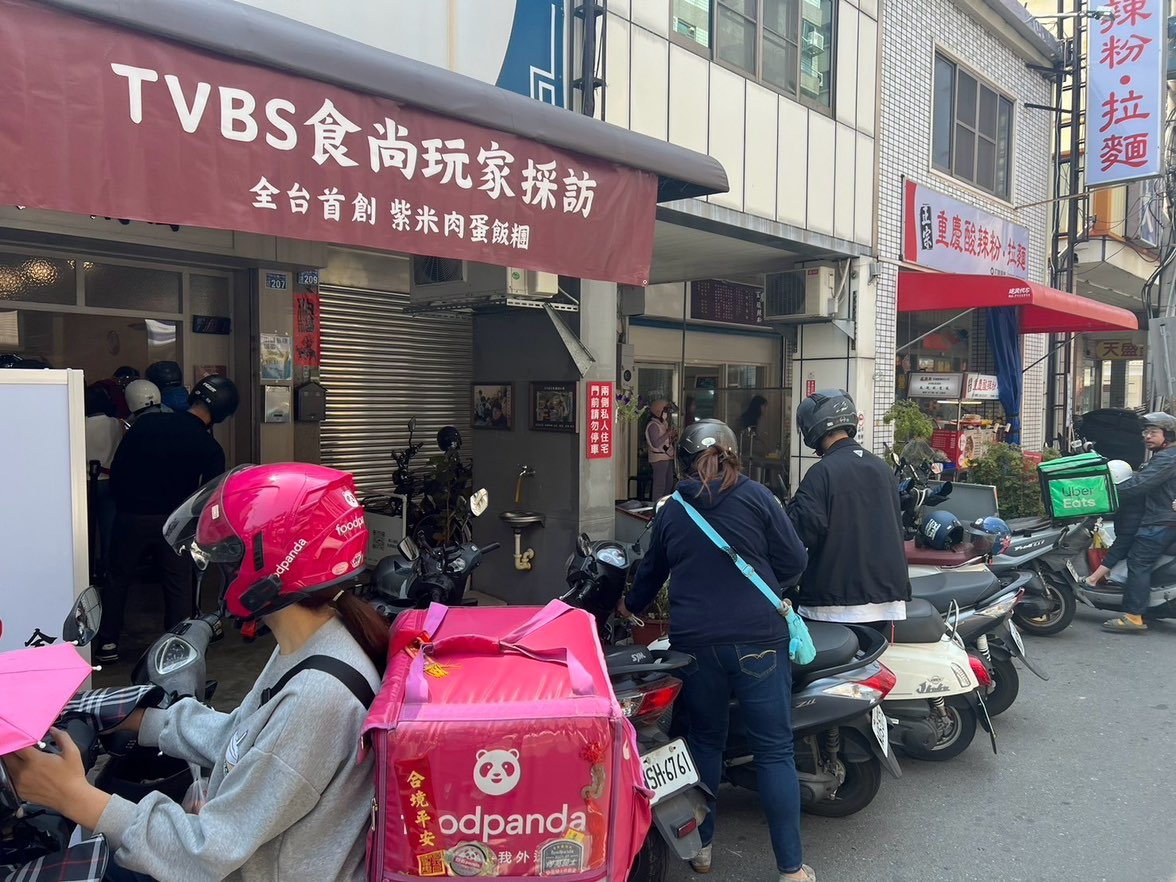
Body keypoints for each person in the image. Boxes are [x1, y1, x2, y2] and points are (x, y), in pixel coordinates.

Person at [7, 463, 386, 882]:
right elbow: (241, 738)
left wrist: (72, 796)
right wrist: (138, 718)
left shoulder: (318, 696)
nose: (221, 571)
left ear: (273, 563)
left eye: (228, 557)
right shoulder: (315, 641)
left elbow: (206, 852)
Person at [619, 419, 814, 882]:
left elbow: (649, 576)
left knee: (705, 741)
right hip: (759, 639)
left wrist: (629, 607)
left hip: (696, 645)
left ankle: (702, 851)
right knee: (774, 752)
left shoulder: (672, 510)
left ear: (683, 462)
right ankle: (790, 869)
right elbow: (794, 560)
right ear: (733, 454)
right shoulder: (757, 496)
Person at [96, 375, 240, 662]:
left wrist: (127, 505)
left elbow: (119, 471)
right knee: (178, 585)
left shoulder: (147, 424)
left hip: (132, 517)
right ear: (223, 412)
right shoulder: (209, 447)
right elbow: (209, 495)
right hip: (176, 523)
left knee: (118, 578)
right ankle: (175, 646)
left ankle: (108, 642)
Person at [788, 389, 910, 625]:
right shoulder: (882, 468)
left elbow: (800, 533)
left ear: (812, 428)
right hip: (887, 603)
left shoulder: (821, 473)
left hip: (834, 602)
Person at [1100, 413, 1176, 633]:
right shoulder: (1165, 456)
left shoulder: (1167, 458)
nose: (1147, 436)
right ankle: (1148, 607)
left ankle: (1134, 617)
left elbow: (1140, 484)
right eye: (1145, 432)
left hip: (1160, 521)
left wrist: (1105, 494)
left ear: (1168, 435)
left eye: (1153, 432)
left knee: (1138, 562)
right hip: (1163, 518)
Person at [84, 383, 124, 580]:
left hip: (86, 482)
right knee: (109, 528)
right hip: (110, 481)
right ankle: (108, 570)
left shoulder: (79, 424)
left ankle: (87, 567)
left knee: (86, 529)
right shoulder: (116, 424)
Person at [1084, 460, 1140, 588]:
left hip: (1130, 530)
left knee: (1116, 552)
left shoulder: (1124, 494)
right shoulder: (1129, 490)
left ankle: (1093, 579)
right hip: (1130, 529)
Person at [645, 399, 677, 499]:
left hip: (667, 457)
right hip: (658, 459)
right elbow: (656, 443)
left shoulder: (663, 424)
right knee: (660, 485)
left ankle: (665, 504)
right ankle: (656, 504)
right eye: (665, 411)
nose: (666, 414)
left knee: (668, 484)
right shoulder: (653, 425)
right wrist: (667, 433)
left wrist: (672, 437)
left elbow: (665, 442)